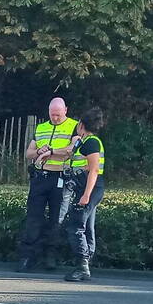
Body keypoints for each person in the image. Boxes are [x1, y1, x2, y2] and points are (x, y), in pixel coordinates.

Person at [18, 98, 78, 272]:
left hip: (60, 177)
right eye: (52, 115)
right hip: (40, 177)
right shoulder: (41, 127)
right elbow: (29, 153)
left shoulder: (74, 126)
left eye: (58, 115)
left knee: (56, 218)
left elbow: (72, 150)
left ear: (65, 110)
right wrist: (39, 151)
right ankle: (28, 256)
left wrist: (51, 152)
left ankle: (50, 256)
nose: (55, 118)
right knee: (33, 217)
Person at [62, 109, 106, 282]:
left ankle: (82, 266)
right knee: (87, 226)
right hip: (86, 186)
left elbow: (94, 169)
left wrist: (86, 195)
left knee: (75, 224)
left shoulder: (92, 143)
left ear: (81, 125)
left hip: (90, 188)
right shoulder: (85, 142)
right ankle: (86, 261)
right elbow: (75, 157)